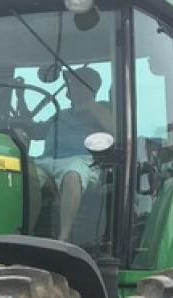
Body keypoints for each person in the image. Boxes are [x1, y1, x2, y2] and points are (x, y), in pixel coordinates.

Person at [37, 66, 115, 242]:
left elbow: (115, 129)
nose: (69, 87)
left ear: (89, 87)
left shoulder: (103, 108)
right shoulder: (61, 114)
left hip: (81, 159)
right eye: (70, 83)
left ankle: (63, 237)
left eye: (74, 83)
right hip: (47, 160)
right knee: (22, 174)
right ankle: (24, 231)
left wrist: (89, 105)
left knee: (73, 176)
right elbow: (37, 131)